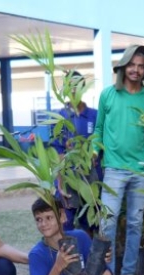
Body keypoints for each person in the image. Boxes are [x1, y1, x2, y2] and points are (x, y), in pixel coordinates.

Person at [94, 44, 144, 275]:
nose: (136, 70)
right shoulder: (108, 95)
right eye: (132, 64)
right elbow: (98, 129)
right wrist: (93, 150)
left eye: (141, 66)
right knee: (107, 223)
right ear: (123, 66)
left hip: (141, 171)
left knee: (134, 223)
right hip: (114, 169)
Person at [51, 71, 101, 234]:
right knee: (66, 224)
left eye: (77, 84)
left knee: (91, 225)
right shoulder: (59, 117)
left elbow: (100, 142)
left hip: (90, 179)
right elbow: (57, 152)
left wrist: (92, 153)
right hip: (68, 179)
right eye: (69, 85)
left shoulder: (95, 115)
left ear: (83, 87)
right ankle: (69, 259)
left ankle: (90, 258)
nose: (73, 89)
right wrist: (60, 184)